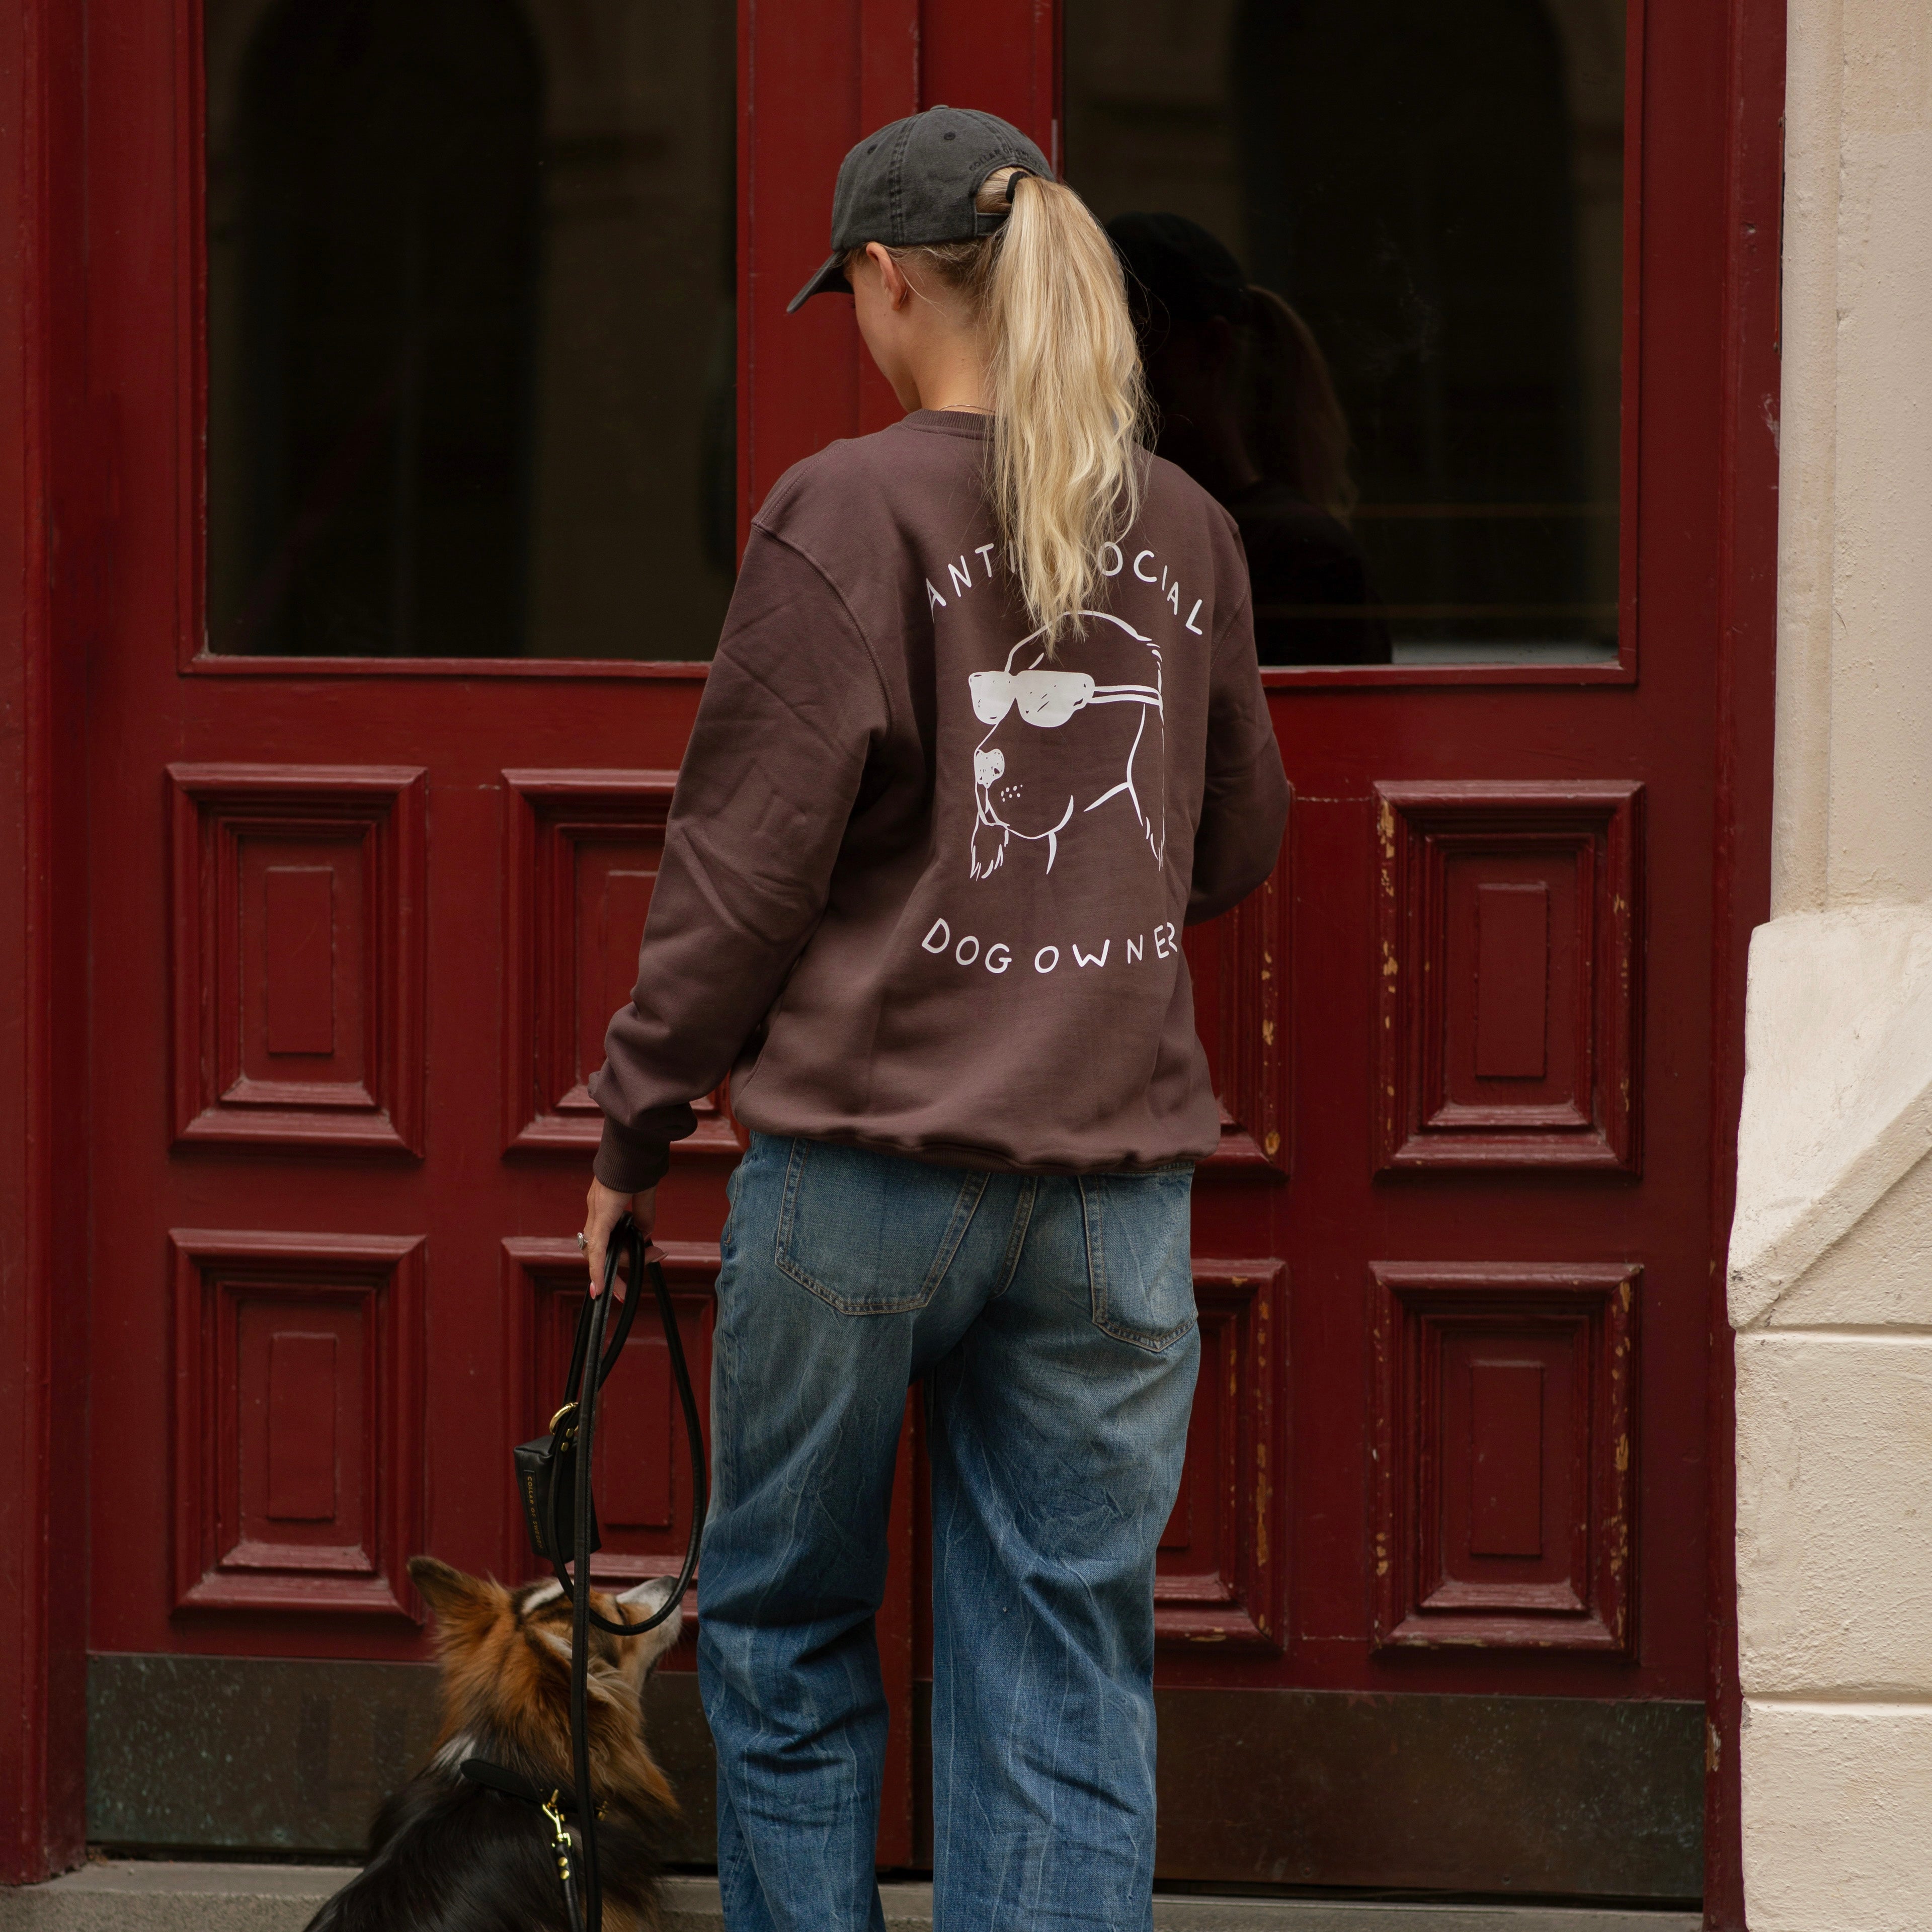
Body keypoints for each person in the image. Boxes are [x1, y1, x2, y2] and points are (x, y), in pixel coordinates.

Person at [579, 107, 1289, 1932]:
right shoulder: (1189, 528)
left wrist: (634, 1126)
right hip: (1113, 1185)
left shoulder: (841, 509)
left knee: (789, 1637)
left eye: (856, 297)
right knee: (1062, 1664)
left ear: (889, 280)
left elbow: (740, 878)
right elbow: (1231, 842)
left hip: (863, 1177)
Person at [1106, 212, 1393, 667]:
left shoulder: (1301, 557)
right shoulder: (1109, 533)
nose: (1100, 370)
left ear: (1210, 349)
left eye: (1127, 338)